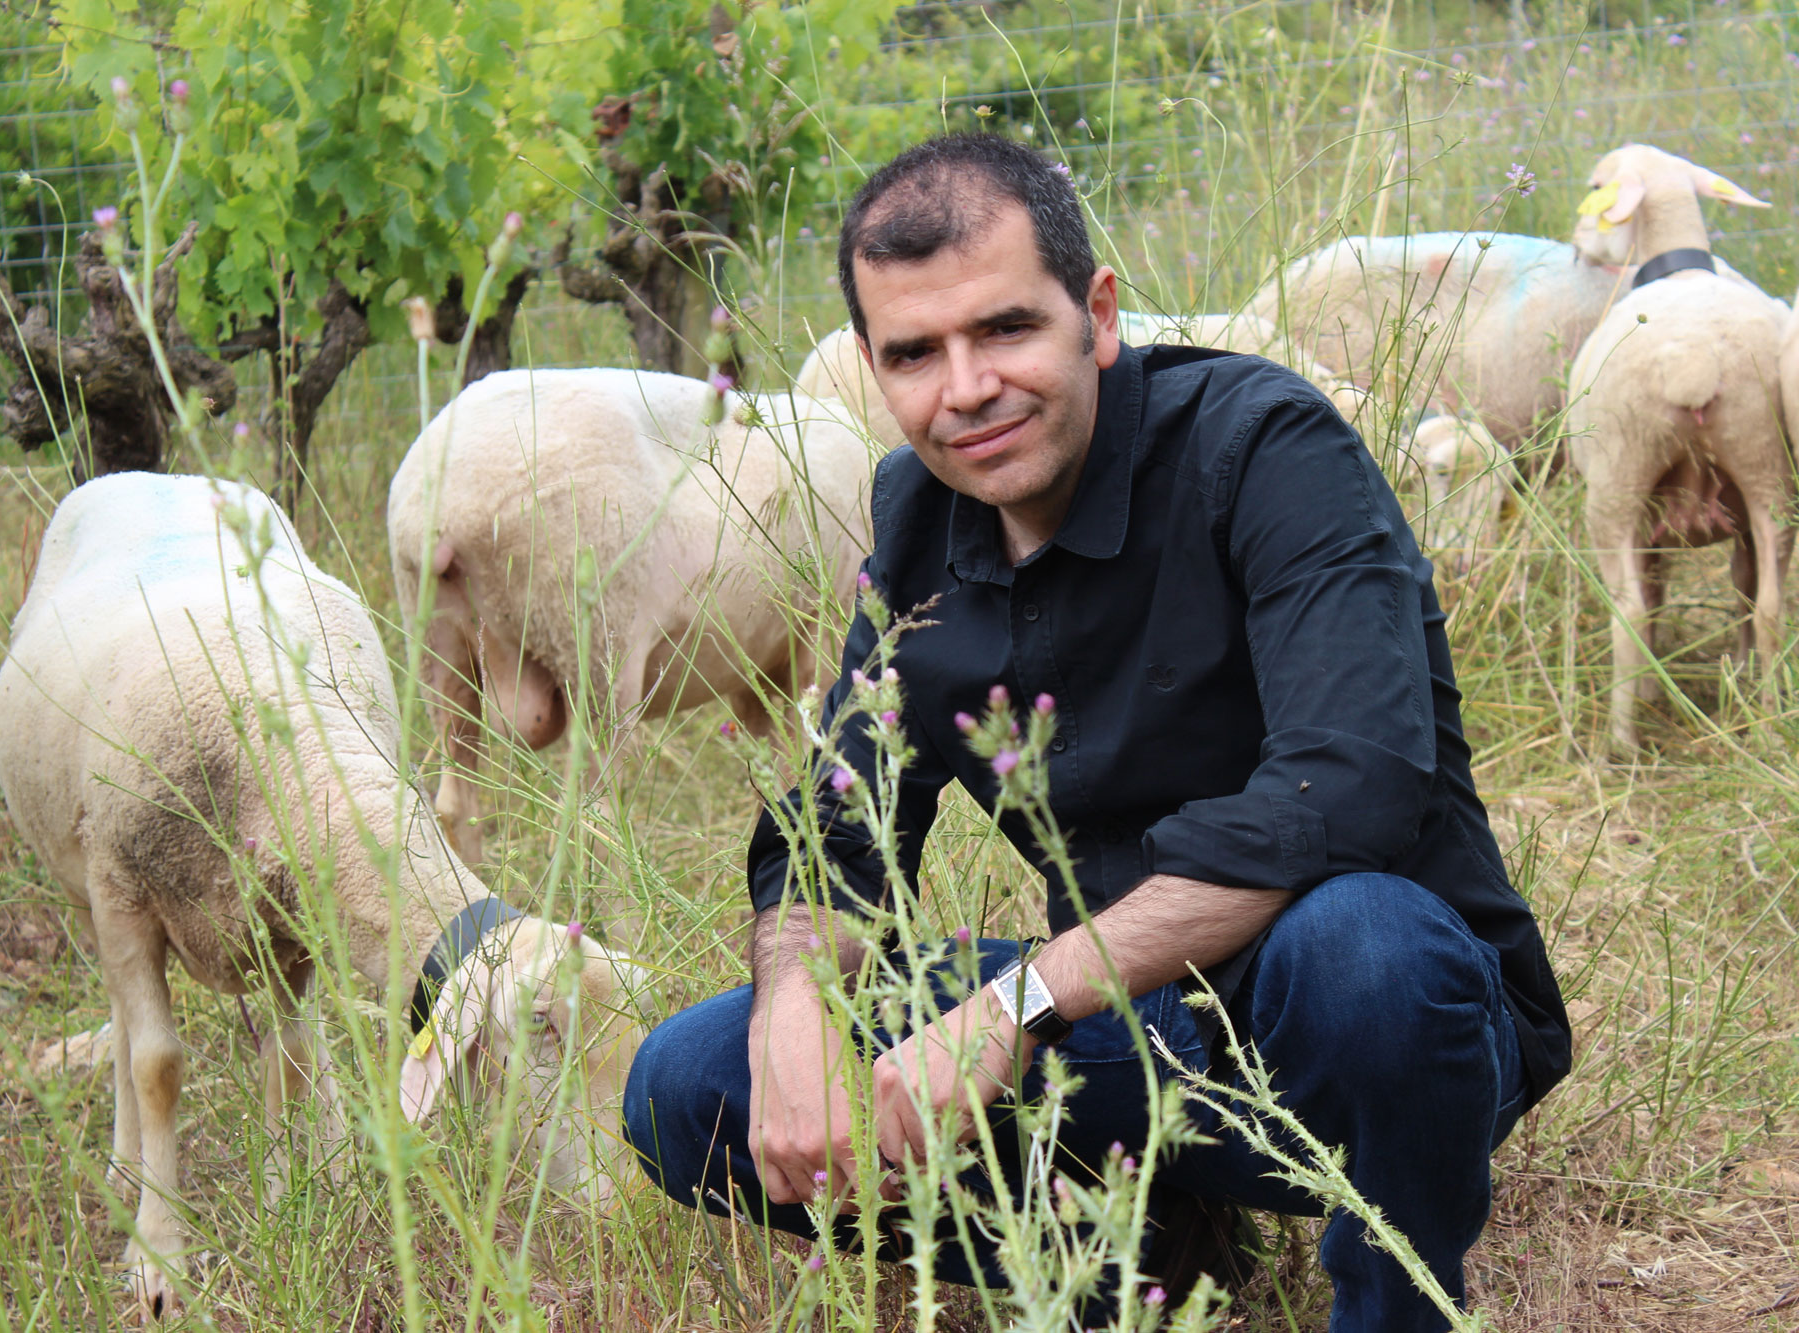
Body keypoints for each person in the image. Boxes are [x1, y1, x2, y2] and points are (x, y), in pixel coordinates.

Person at [621, 133, 1571, 1331]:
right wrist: (793, 1006)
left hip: (1367, 1033)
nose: (964, 389)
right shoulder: (916, 522)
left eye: (1004, 328)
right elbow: (834, 834)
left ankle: (1394, 1303)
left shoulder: (1265, 448)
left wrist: (1010, 1008)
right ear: (870, 365)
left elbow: (1351, 790)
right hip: (1137, 1020)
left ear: (1097, 315)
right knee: (688, 1080)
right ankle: (1128, 1261)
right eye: (914, 352)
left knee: (1367, 943)